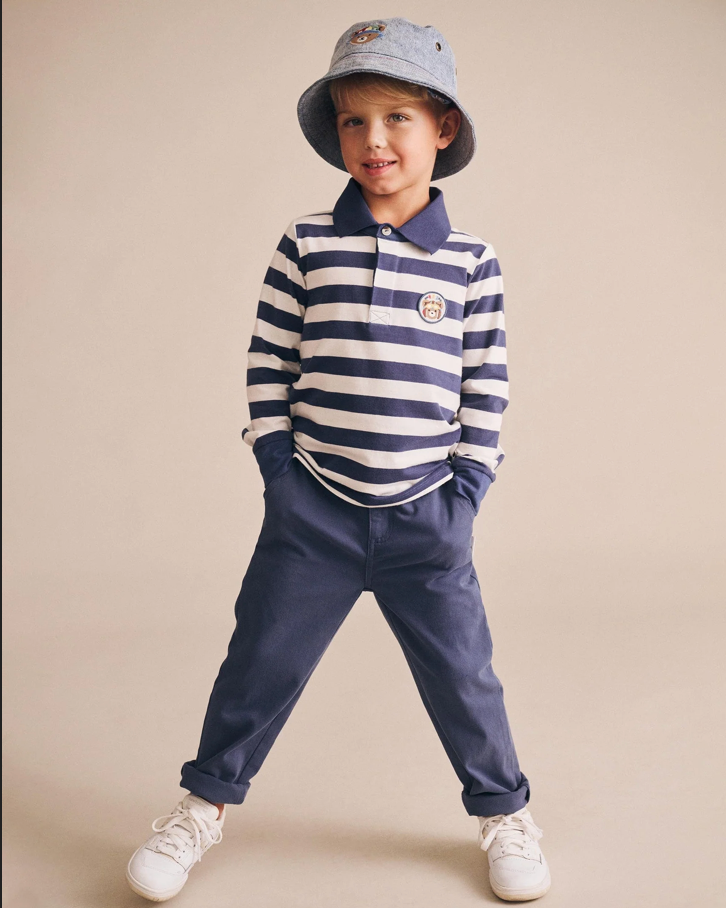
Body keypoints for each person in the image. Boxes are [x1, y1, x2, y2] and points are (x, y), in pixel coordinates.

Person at [126, 17, 551, 903]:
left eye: (397, 117)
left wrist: (466, 492)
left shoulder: (473, 263)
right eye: (354, 121)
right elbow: (268, 359)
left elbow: (488, 385)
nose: (374, 140)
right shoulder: (306, 243)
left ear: (442, 129)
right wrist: (279, 469)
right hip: (312, 510)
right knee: (260, 663)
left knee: (464, 677)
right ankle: (201, 807)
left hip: (426, 513)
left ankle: (504, 813)